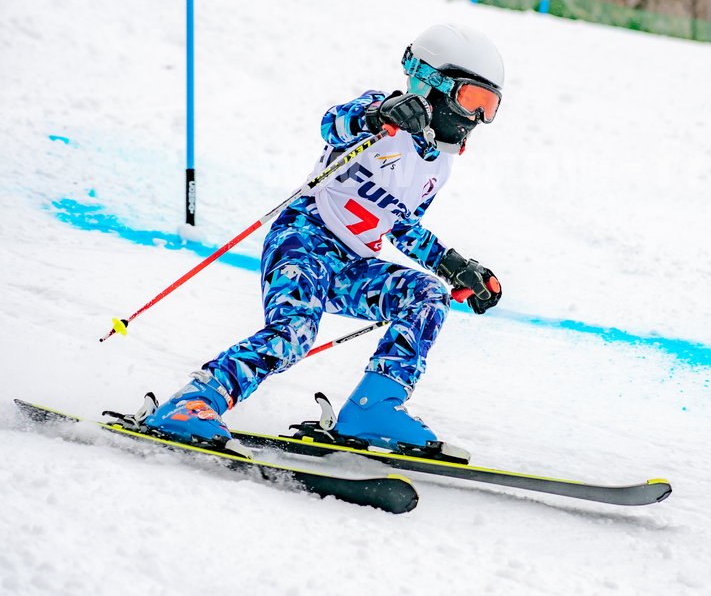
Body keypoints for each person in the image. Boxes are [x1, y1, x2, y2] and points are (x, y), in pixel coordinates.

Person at [143, 23, 505, 452]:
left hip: (354, 265)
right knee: (293, 333)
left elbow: (401, 224)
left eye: (490, 107)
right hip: (304, 239)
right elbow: (333, 124)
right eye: (471, 100)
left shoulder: (438, 167)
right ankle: (192, 404)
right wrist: (379, 116)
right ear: (432, 83)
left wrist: (454, 266)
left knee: (426, 295)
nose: (477, 119)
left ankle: (373, 409)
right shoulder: (381, 115)